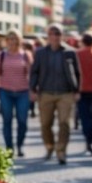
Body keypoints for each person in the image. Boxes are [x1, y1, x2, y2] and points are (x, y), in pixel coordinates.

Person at [30, 23, 81, 164]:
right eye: (51, 33)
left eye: (57, 33)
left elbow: (77, 73)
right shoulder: (40, 53)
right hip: (46, 92)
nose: (54, 36)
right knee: (45, 124)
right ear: (48, 36)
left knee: (64, 123)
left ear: (62, 35)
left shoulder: (70, 52)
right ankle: (49, 146)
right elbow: (34, 72)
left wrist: (77, 90)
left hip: (66, 93)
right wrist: (32, 89)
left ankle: (61, 151)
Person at [0, 31, 32, 157]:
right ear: (6, 41)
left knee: (22, 120)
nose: (12, 41)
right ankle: (9, 148)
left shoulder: (25, 55)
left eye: (14, 38)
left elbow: (31, 73)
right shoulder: (2, 55)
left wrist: (33, 90)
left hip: (23, 91)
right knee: (7, 120)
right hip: (5, 91)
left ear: (19, 40)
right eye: (9, 39)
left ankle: (20, 145)